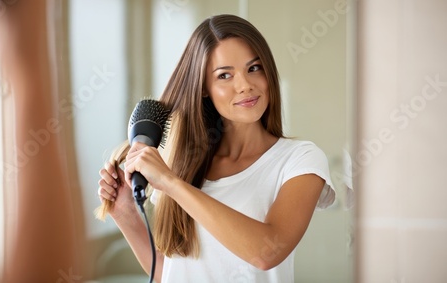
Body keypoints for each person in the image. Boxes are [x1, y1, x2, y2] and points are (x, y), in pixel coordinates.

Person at [97, 14, 335, 283]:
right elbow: (173, 273)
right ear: (203, 88)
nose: (245, 85)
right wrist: (124, 212)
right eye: (224, 75)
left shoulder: (300, 160)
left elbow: (267, 251)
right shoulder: (181, 164)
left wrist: (171, 183)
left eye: (254, 68)